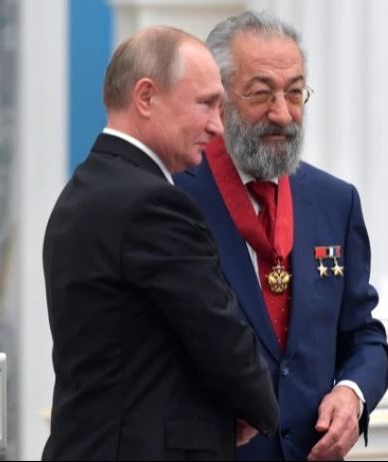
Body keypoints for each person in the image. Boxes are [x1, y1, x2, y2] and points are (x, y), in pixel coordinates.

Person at [42, 26, 279, 460]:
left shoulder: (82, 190)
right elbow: (218, 334)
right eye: (206, 103)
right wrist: (259, 407)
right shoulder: (153, 203)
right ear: (146, 97)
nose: (217, 126)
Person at [174, 12, 388, 461]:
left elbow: (365, 335)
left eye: (295, 93)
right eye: (261, 93)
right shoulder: (174, 198)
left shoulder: (335, 201)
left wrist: (353, 393)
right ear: (218, 98)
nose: (282, 113)